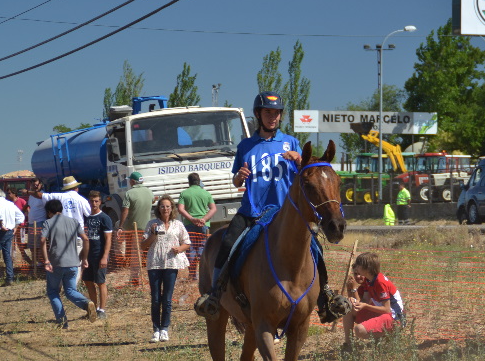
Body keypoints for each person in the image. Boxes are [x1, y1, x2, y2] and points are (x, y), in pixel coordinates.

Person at [195, 91, 349, 323]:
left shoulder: (291, 142)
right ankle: (215, 295)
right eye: (268, 112)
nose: (273, 117)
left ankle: (324, 296)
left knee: (315, 246)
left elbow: (306, 175)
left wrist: (299, 160)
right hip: (252, 211)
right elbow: (237, 181)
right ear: (258, 114)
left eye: (276, 113)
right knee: (228, 243)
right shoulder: (246, 146)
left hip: (283, 212)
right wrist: (239, 177)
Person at [140, 195, 191, 343]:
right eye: (162, 206)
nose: (165, 209)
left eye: (168, 206)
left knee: (167, 299)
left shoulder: (178, 224)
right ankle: (155, 330)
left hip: (171, 264)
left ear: (172, 208)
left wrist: (179, 249)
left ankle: (164, 329)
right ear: (158, 208)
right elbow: (143, 245)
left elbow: (187, 243)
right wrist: (153, 234)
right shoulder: (152, 224)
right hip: (154, 264)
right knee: (156, 298)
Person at [41, 199, 97, 329]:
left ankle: (62, 322)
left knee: (53, 292)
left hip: (56, 263)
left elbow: (42, 239)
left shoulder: (48, 223)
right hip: (73, 263)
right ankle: (87, 303)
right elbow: (86, 239)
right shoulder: (74, 221)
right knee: (71, 290)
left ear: (49, 212)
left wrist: (46, 260)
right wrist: (84, 258)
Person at [341, 251, 404, 350]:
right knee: (348, 308)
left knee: (359, 330)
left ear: (367, 268)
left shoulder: (380, 282)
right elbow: (365, 300)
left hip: (395, 317)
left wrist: (365, 306)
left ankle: (384, 340)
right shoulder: (368, 280)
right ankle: (348, 346)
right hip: (382, 313)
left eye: (359, 265)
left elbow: (387, 309)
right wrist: (355, 302)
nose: (356, 267)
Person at [115, 171, 154, 286]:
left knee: (117, 226)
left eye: (129, 180)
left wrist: (121, 226)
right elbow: (152, 200)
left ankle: (120, 255)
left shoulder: (129, 193)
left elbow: (125, 210)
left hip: (133, 226)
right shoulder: (149, 192)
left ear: (132, 181)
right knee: (139, 251)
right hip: (147, 226)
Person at [177, 172, 216, 280]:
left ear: (189, 182)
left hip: (189, 225)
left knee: (191, 248)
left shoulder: (184, 193)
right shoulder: (206, 194)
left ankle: (193, 275)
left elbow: (180, 209)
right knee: (202, 248)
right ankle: (204, 274)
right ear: (199, 181)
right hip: (204, 225)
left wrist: (191, 219)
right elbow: (213, 208)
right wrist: (204, 219)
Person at [0, 188, 25, 287]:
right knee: (7, 254)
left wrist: (1, 224)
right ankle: (10, 278)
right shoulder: (10, 204)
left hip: (0, 231)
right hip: (10, 231)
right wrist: (15, 227)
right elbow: (21, 216)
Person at [83, 191, 113, 319]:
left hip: (99, 254)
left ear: (100, 202)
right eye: (92, 201)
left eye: (96, 201)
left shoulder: (104, 218)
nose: (94, 204)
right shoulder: (86, 217)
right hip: (87, 255)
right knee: (88, 281)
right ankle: (93, 308)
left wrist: (104, 256)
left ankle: (102, 309)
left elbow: (108, 239)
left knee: (100, 282)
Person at [25, 178, 47, 267]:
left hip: (40, 222)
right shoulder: (31, 196)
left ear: (41, 185)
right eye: (33, 185)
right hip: (31, 223)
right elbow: (29, 206)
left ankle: (40, 263)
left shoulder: (43, 195)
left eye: (37, 185)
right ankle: (35, 263)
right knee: (32, 245)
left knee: (38, 245)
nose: (35, 186)